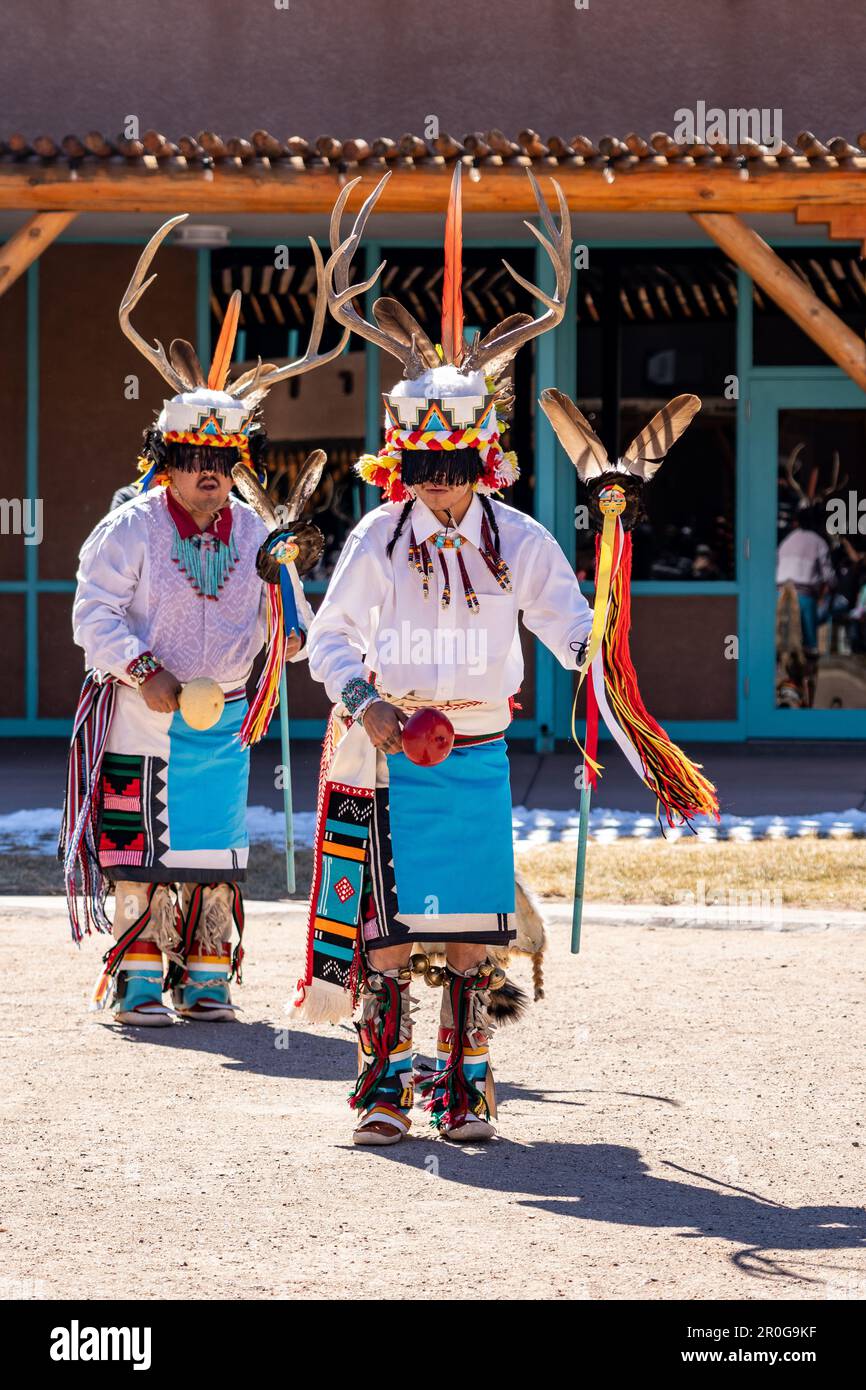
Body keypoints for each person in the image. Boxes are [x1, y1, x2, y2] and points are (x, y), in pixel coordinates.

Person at [293, 167, 592, 1145]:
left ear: (482, 462)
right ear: (399, 463)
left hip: (470, 754)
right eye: (420, 469)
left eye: (454, 469)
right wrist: (362, 699)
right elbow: (329, 638)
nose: (438, 486)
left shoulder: (518, 539)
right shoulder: (377, 537)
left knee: (466, 934)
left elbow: (575, 630)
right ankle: (382, 1084)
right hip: (383, 755)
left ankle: (462, 1086)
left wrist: (614, 589)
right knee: (381, 936)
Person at [59, 215, 344, 1026]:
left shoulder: (258, 532)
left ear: (236, 466)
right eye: (191, 461)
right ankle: (139, 974)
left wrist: (290, 633)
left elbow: (295, 624)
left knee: (213, 854)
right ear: (164, 460)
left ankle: (207, 971)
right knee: (140, 854)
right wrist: (145, 672)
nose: (207, 475)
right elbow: (94, 613)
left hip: (222, 716)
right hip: (139, 714)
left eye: (221, 463)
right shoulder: (132, 527)